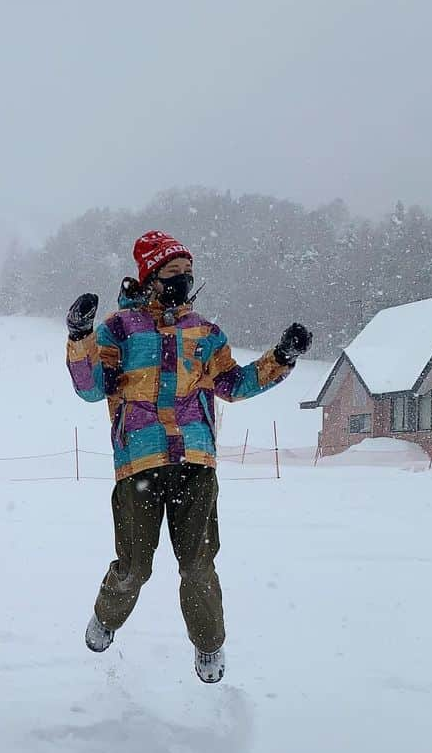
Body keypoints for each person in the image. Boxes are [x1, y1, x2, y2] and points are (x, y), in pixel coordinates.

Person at [66, 230, 312, 682]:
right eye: (172, 272)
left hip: (196, 462)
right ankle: (106, 617)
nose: (183, 280)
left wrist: (281, 357)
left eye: (188, 273)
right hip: (139, 462)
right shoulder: (119, 329)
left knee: (198, 563)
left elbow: (233, 384)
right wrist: (80, 336)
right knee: (136, 567)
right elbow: (89, 388)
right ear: (150, 276)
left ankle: (209, 646)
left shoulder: (205, 332)